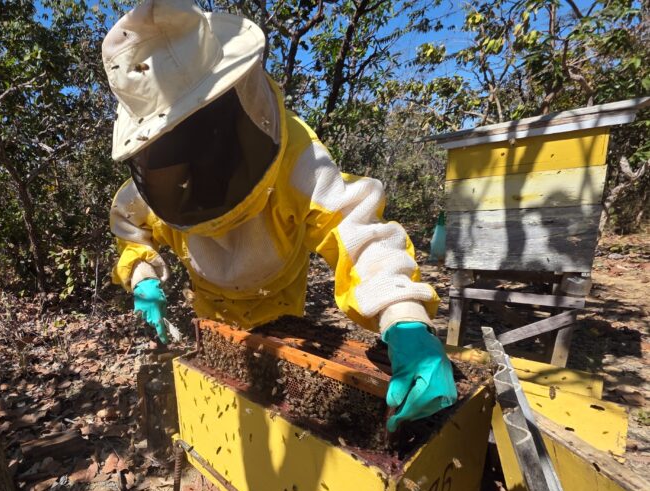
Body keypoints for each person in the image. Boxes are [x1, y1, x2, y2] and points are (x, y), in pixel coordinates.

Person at [102, 0, 456, 431]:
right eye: (175, 149)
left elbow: (354, 228)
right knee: (224, 396)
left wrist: (404, 317)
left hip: (281, 300)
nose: (197, 163)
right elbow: (129, 224)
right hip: (211, 305)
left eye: (203, 135)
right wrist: (143, 279)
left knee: (280, 397)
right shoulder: (150, 185)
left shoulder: (299, 162)